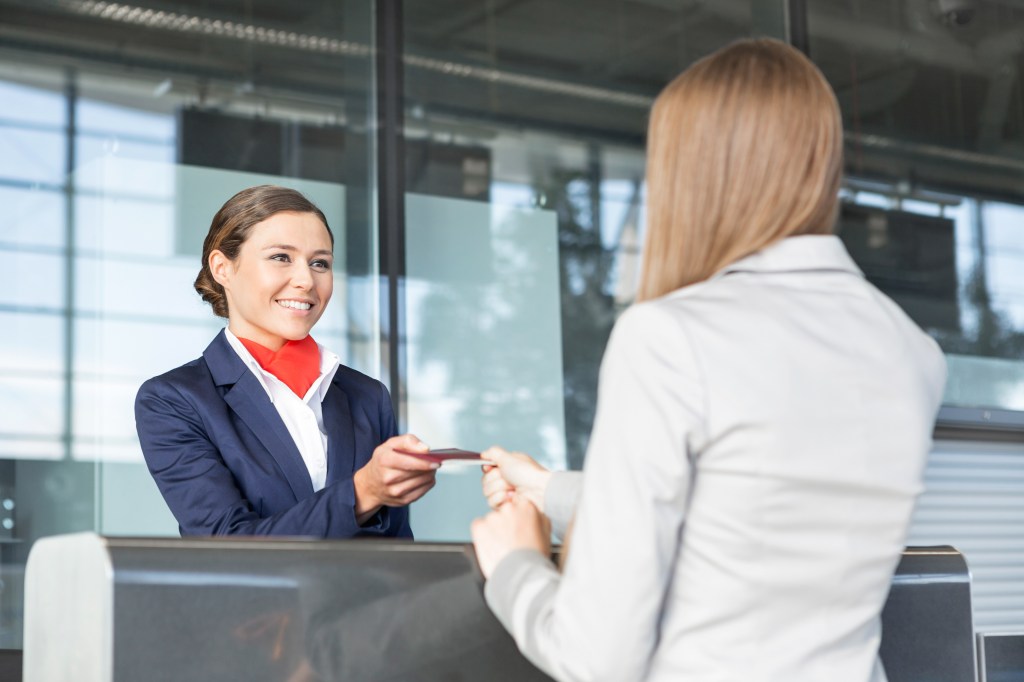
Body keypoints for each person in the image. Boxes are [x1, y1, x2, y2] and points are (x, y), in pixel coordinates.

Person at [471, 38, 947, 682]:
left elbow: (598, 658)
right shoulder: (911, 351)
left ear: (695, 175)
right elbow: (751, 510)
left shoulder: (669, 337)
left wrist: (514, 568)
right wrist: (550, 488)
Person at [135, 185, 437, 538]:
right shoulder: (174, 400)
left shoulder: (367, 396)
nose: (306, 280)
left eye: (319, 263)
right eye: (281, 257)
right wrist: (361, 493)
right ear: (222, 268)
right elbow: (225, 544)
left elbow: (397, 548)